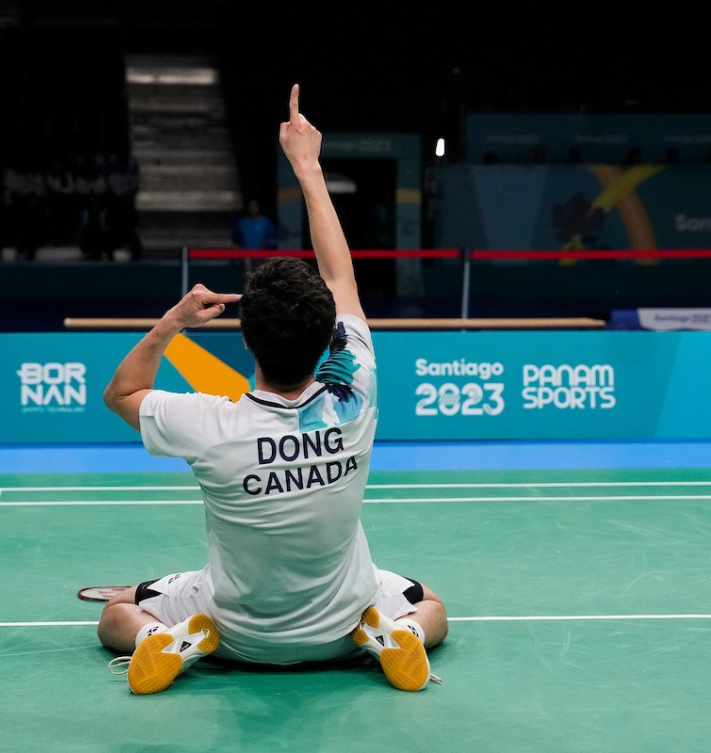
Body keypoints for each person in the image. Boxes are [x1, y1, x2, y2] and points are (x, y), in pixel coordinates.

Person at [98, 85, 448, 695]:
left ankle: (163, 640)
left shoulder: (210, 424)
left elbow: (122, 395)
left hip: (235, 632)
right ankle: (401, 634)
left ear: (246, 343)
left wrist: (172, 323)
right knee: (431, 604)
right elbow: (340, 275)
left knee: (117, 610)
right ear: (326, 341)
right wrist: (309, 165)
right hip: (343, 624)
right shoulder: (355, 395)